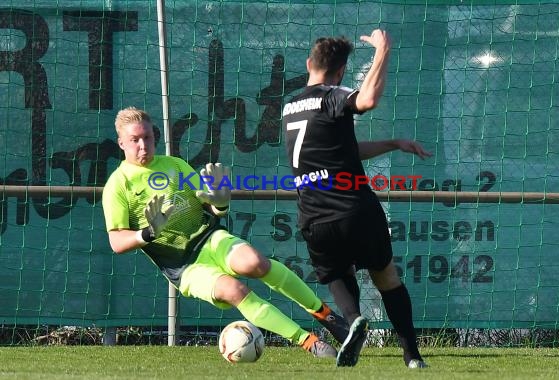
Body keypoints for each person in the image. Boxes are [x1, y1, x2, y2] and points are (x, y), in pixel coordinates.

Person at [102, 106, 365, 365]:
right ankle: (308, 341)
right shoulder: (117, 185)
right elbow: (117, 242)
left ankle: (327, 316)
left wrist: (221, 200)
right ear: (121, 142)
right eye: (135, 139)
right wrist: (147, 233)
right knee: (235, 289)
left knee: (256, 263)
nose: (143, 145)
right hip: (184, 267)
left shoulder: (174, 165)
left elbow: (211, 205)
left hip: (209, 238)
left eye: (147, 137)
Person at [282, 30, 432, 368]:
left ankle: (353, 323)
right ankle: (412, 356)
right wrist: (383, 49)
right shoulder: (332, 95)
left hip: (313, 215)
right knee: (386, 278)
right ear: (340, 72)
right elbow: (367, 101)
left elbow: (343, 152)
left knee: (336, 273)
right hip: (353, 208)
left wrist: (393, 142)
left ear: (309, 64)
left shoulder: (291, 106)